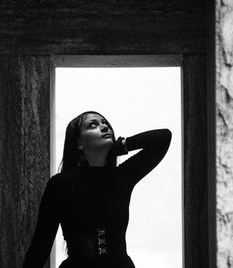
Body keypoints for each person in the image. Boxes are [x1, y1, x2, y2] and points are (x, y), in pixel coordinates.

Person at [22, 110, 172, 268]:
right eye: (92, 125)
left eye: (105, 123)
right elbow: (41, 245)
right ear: (79, 143)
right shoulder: (60, 184)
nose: (104, 127)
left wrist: (120, 146)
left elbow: (162, 138)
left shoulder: (122, 176)